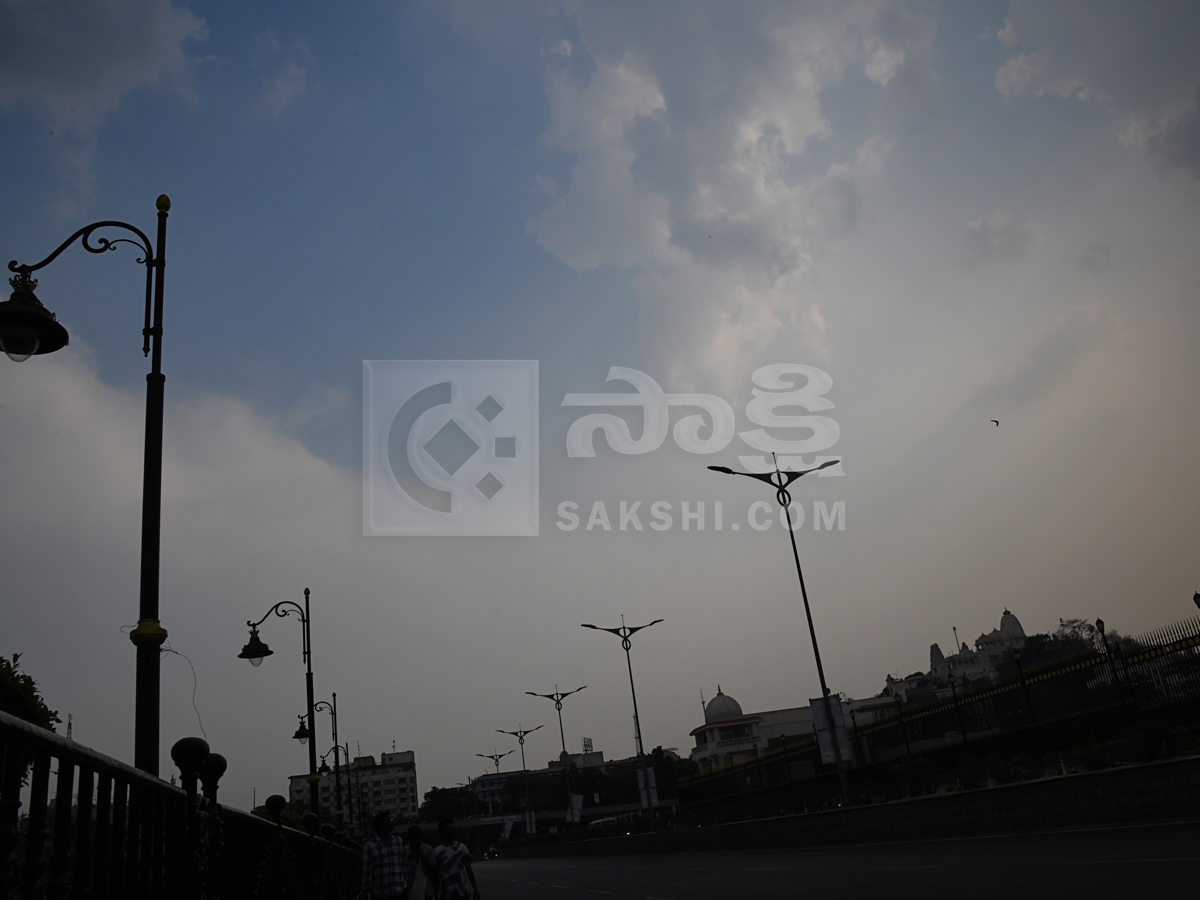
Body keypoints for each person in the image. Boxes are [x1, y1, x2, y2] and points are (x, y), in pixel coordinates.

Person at [361, 811, 411, 900]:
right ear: (381, 825)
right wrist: (366, 893)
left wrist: (407, 883)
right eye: (389, 820)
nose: (392, 821)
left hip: (400, 892)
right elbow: (367, 873)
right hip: (380, 895)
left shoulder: (398, 841)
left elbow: (404, 864)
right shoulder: (370, 846)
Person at [433, 818, 480, 900]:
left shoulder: (462, 848)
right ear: (441, 832)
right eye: (448, 829)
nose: (451, 830)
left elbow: (469, 871)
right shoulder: (436, 852)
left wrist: (475, 889)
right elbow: (436, 875)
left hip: (463, 893)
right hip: (447, 894)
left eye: (452, 828)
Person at [404, 824, 439, 899]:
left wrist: (423, 860)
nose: (416, 841)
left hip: (426, 890)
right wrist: (408, 860)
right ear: (408, 839)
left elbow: (435, 870)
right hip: (410, 890)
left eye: (418, 838)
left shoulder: (427, 849)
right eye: (414, 838)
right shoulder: (404, 851)